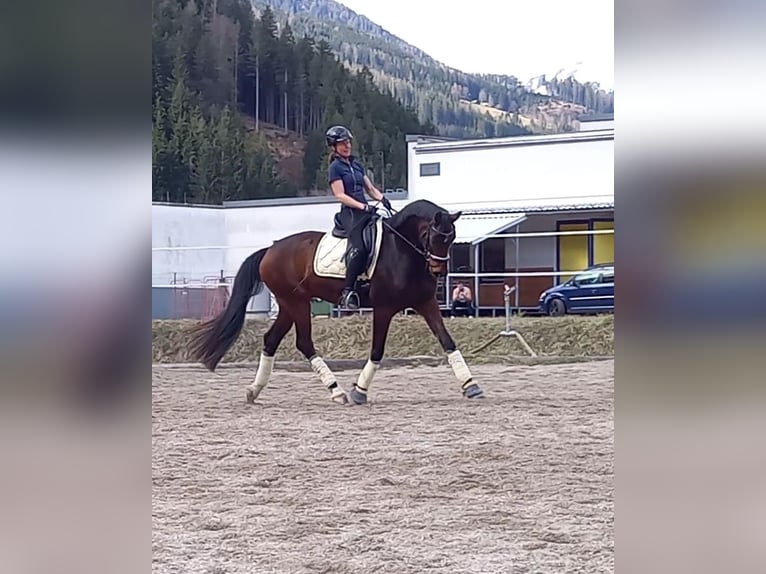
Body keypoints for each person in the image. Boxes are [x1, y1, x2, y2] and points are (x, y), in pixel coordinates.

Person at [326, 125, 392, 309]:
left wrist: (382, 198)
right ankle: (348, 291)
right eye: (342, 143)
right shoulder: (335, 168)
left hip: (365, 210)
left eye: (348, 142)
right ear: (334, 147)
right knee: (360, 248)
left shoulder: (356, 165)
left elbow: (369, 189)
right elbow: (340, 195)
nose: (347, 146)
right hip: (350, 213)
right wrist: (363, 206)